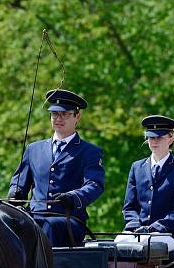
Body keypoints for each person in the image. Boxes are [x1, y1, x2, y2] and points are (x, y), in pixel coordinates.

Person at [8, 89, 105, 247]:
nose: (58, 119)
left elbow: (95, 185)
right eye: (54, 114)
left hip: (67, 220)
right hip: (35, 215)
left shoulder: (89, 152)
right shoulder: (34, 149)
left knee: (49, 226)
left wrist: (72, 197)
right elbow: (19, 182)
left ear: (77, 116)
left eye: (65, 114)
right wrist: (15, 192)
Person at [118, 115, 174, 252]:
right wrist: (136, 227)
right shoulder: (136, 167)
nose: (154, 141)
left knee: (146, 245)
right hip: (137, 231)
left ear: (170, 138)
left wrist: (154, 228)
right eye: (151, 137)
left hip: (169, 233)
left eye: (159, 137)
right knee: (116, 244)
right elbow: (129, 207)